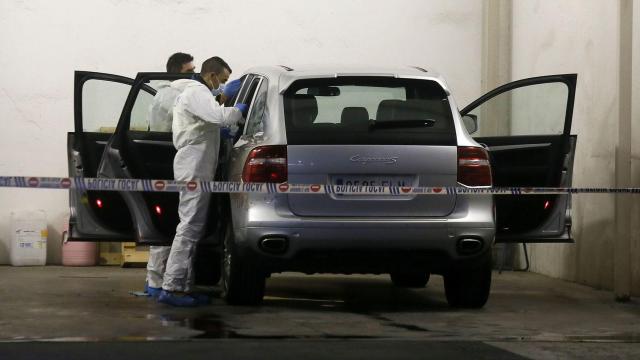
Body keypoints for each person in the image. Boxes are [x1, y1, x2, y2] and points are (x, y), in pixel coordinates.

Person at [157, 56, 248, 307]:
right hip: (193, 166)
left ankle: (183, 287)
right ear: (211, 76)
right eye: (223, 80)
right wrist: (237, 110)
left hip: (198, 165)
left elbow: (207, 123)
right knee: (188, 227)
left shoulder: (199, 95)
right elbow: (219, 117)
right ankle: (172, 287)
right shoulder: (197, 91)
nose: (223, 86)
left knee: (193, 227)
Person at [145, 52, 196, 297]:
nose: (193, 75)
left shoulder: (162, 93)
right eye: (189, 71)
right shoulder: (173, 94)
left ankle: (154, 282)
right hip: (170, 160)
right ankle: (163, 284)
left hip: (164, 158)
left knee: (165, 222)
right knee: (171, 223)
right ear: (175, 71)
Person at [148, 52, 195, 132]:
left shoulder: (169, 91)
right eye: (189, 71)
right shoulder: (171, 94)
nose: (193, 74)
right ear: (176, 73)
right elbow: (193, 119)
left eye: (193, 70)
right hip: (167, 142)